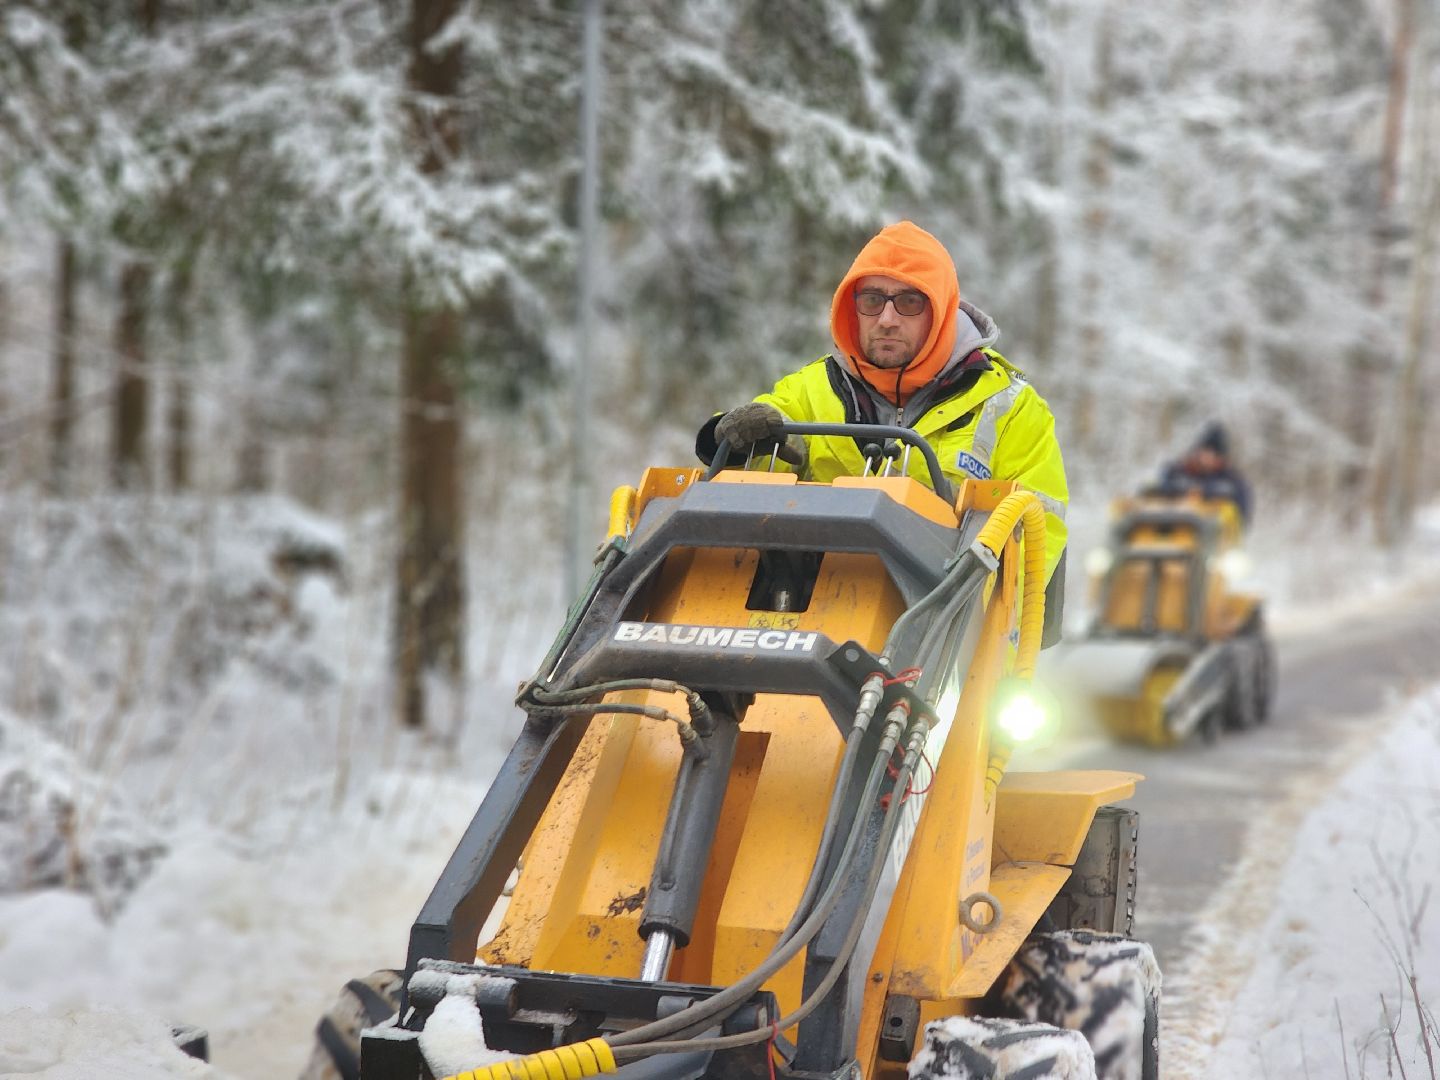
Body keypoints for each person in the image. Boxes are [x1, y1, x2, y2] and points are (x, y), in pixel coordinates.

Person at [696, 220, 1068, 584]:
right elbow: (741, 483)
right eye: (872, 300)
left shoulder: (1012, 409)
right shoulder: (810, 390)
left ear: (941, 311)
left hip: (943, 627)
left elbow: (1037, 539)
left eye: (909, 301)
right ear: (851, 308)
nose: (887, 319)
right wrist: (729, 438)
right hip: (805, 614)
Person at [1155, 422, 1252, 524]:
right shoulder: (1181, 470)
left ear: (1221, 457)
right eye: (1205, 451)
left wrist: (1205, 492)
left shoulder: (1231, 480)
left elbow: (1242, 513)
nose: (1207, 457)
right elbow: (1165, 484)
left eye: (1213, 454)